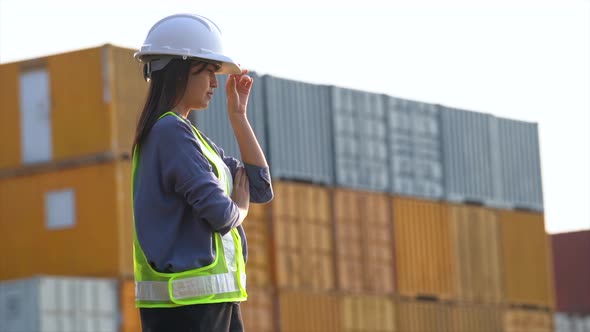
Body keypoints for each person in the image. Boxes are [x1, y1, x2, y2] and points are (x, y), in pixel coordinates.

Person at [130, 13, 273, 332]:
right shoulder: (170, 134)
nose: (214, 82)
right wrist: (241, 209)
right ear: (180, 70)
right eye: (207, 71)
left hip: (204, 308)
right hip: (190, 312)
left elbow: (260, 187)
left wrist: (239, 117)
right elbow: (222, 215)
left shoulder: (188, 137)